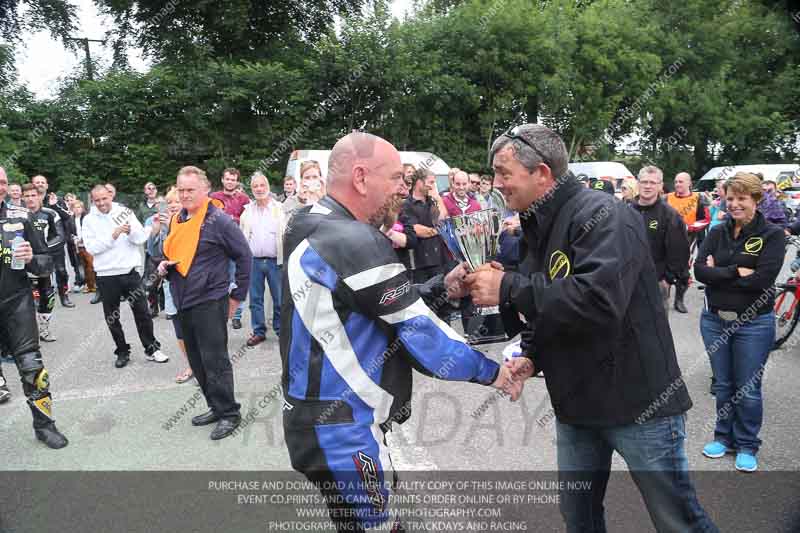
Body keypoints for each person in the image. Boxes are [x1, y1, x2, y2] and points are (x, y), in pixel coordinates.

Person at [465, 123, 717, 533]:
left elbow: (597, 301)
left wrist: (508, 287)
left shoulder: (604, 215)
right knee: (578, 518)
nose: (496, 184)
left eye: (503, 173)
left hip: (639, 405)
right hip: (577, 405)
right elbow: (544, 300)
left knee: (677, 520)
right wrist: (532, 354)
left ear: (541, 173)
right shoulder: (537, 224)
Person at [280, 132, 519, 533]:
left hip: (316, 418)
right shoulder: (354, 239)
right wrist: (494, 372)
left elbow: (371, 305)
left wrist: (444, 287)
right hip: (343, 428)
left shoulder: (309, 222)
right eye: (395, 179)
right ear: (360, 178)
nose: (402, 191)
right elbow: (422, 337)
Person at [695, 172, 783, 473]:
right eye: (729, 198)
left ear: (756, 200)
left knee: (747, 387)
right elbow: (699, 272)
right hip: (714, 320)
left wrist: (719, 270)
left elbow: (762, 280)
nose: (734, 204)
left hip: (753, 324)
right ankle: (723, 437)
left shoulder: (771, 235)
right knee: (723, 384)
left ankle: (746, 443)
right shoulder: (717, 231)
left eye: (741, 199)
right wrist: (735, 271)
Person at [160, 166, 252, 440]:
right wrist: (163, 265)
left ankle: (230, 414)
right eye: (181, 189)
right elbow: (174, 254)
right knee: (198, 362)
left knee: (215, 361)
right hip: (183, 300)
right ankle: (215, 405)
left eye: (191, 190)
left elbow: (245, 257)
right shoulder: (178, 219)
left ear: (205, 190)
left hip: (210, 301)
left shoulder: (219, 220)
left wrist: (236, 297)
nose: (185, 194)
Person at [0, 167, 69, 448]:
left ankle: (45, 426)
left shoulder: (21, 216)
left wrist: (31, 259)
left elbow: (46, 263)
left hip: (16, 302)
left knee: (33, 369)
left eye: (3, 181)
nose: (0, 186)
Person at [82, 184, 168, 368]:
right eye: (97, 200)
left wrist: (131, 232)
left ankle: (152, 349)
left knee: (143, 313)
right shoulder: (89, 220)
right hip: (106, 275)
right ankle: (122, 351)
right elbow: (91, 248)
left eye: (104, 198)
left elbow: (140, 239)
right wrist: (112, 236)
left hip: (129, 272)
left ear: (111, 196)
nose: (101, 203)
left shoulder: (125, 212)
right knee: (112, 317)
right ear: (92, 201)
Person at [147, 187, 194, 384]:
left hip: (192, 282)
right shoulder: (157, 222)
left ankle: (204, 365)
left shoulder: (191, 220)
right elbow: (152, 251)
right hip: (170, 282)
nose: (173, 205)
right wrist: (157, 230)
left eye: (176, 201)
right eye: (169, 202)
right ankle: (191, 365)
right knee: (179, 327)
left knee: (196, 325)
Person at [630, 166, 690, 312]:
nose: (648, 186)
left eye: (652, 182)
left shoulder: (670, 215)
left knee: (655, 329)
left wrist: (667, 280)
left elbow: (680, 252)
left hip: (656, 282)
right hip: (628, 280)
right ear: (638, 184)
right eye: (644, 182)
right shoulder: (625, 210)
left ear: (660, 186)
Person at [239, 172, 284, 347]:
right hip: (254, 262)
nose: (259, 189)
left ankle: (281, 330)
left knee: (279, 299)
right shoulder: (247, 211)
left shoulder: (279, 209)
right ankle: (259, 332)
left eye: (262, 185)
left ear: (268, 187)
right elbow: (242, 237)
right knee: (255, 299)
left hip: (275, 261)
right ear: (252, 190)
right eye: (255, 186)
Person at [21, 184, 65, 342]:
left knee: (47, 296)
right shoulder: (16, 214)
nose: (30, 199)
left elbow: (60, 237)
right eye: (27, 196)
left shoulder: (50, 214)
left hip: (43, 263)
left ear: (40, 196)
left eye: (33, 195)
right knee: (23, 298)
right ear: (22, 198)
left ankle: (44, 329)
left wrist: (43, 251)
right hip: (21, 263)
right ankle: (24, 333)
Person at [209, 168, 250, 329]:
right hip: (217, 246)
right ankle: (218, 311)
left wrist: (233, 218)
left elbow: (248, 220)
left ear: (237, 181)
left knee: (236, 280)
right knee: (218, 280)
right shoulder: (213, 197)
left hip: (235, 245)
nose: (230, 182)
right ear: (222, 180)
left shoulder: (244, 199)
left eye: (233, 179)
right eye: (227, 179)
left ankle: (236, 315)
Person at [30, 175, 75, 307]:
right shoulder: (27, 200)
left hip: (56, 245)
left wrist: (54, 205)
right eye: (37, 182)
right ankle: (38, 298)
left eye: (42, 182)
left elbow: (67, 218)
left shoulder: (57, 200)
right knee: (36, 273)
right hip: (37, 247)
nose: (39, 184)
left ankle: (64, 296)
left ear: (47, 185)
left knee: (61, 271)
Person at [666, 171, 708, 312]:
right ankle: (663, 298)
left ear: (689, 183)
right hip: (667, 239)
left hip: (687, 239)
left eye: (681, 181)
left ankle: (679, 300)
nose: (678, 184)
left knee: (683, 271)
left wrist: (689, 227)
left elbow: (705, 219)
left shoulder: (698, 198)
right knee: (663, 268)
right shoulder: (667, 197)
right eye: (676, 181)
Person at [401, 170, 447, 284]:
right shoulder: (406, 204)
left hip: (439, 259)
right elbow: (418, 230)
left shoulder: (433, 201)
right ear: (420, 182)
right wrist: (439, 230)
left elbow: (442, 219)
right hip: (419, 262)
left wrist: (437, 198)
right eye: (431, 182)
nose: (433, 186)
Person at [72, 200, 97, 299]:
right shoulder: (70, 220)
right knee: (83, 266)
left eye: (79, 207)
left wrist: (84, 238)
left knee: (91, 265)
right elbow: (69, 232)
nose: (77, 209)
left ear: (82, 209)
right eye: (75, 207)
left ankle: (94, 285)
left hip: (87, 245)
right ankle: (88, 285)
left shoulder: (87, 218)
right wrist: (73, 239)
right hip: (77, 246)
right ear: (72, 209)